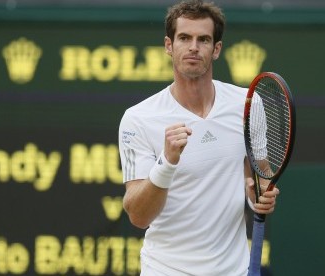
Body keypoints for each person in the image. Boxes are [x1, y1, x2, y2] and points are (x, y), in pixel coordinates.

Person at [118, 0, 280, 275]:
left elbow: (258, 174)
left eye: (203, 39)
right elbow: (138, 215)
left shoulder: (248, 104)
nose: (194, 47)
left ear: (216, 49)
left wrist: (260, 195)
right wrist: (166, 163)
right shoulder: (138, 119)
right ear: (169, 46)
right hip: (166, 269)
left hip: (233, 269)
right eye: (184, 38)